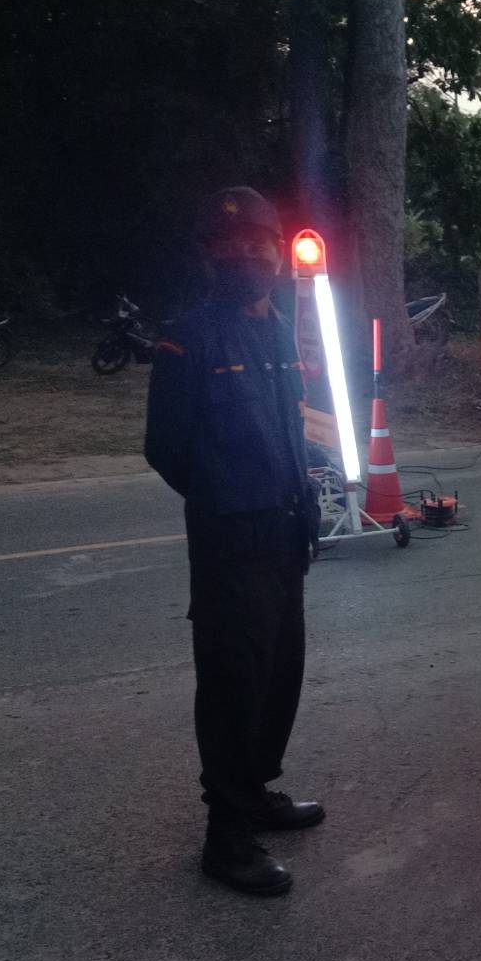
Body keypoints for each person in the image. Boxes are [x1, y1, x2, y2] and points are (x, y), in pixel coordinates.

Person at [145, 186, 325, 898]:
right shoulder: (187, 337)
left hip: (286, 531)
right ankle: (225, 835)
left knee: (279, 672)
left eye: (257, 244)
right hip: (231, 540)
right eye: (230, 246)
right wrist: (226, 497)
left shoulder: (281, 330)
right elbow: (165, 447)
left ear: (277, 253)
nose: (245, 256)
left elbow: (290, 426)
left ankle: (255, 794)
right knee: (232, 683)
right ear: (208, 256)